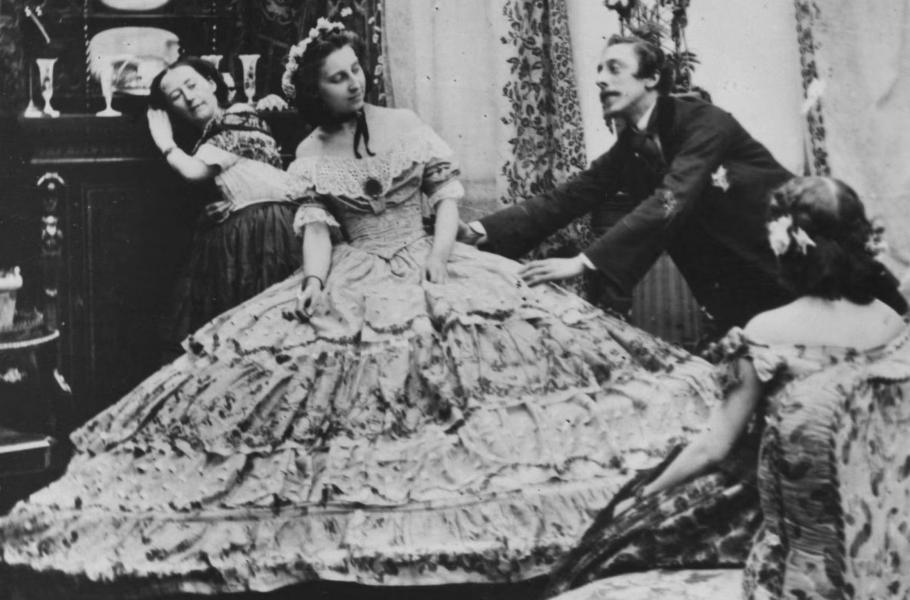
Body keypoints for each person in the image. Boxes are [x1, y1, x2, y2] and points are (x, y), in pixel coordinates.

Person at [0, 21, 721, 597]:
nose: (354, 82)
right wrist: (314, 279)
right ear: (316, 91)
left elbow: (444, 198)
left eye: (356, 71)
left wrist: (439, 257)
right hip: (356, 268)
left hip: (431, 257)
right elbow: (317, 226)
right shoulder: (311, 150)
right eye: (338, 77)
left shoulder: (403, 122)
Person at [542, 176, 910, 599]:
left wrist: (645, 495)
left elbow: (714, 446)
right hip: (869, 494)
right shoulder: (890, 321)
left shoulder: (768, 330)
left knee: (616, 540)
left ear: (784, 247)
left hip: (770, 500)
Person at [460, 35, 908, 334]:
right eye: (598, 70)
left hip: (803, 257)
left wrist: (584, 262)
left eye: (614, 68)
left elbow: (672, 197)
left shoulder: (705, 122)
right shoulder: (630, 148)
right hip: (737, 281)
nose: (600, 79)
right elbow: (570, 196)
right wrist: (481, 231)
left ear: (652, 78)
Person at [146, 56, 305, 354]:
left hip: (270, 230)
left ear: (210, 82)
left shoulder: (237, 115)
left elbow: (194, 171)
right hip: (248, 229)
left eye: (192, 85)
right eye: (176, 96)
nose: (189, 97)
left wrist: (165, 142)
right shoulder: (209, 136)